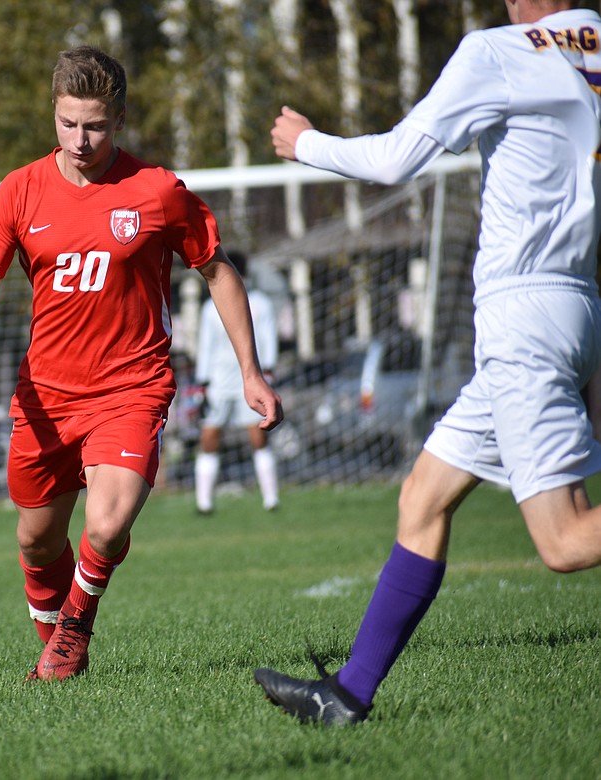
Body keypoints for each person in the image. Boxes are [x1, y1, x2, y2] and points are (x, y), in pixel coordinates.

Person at [255, 0, 601, 725]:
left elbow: (395, 158)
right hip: (578, 298)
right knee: (423, 497)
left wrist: (308, 142)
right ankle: (346, 696)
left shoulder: (501, 50)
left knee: (565, 541)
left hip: (523, 317)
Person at [0, 45, 282, 681]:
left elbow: (218, 273)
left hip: (131, 387)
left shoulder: (157, 192)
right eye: (67, 124)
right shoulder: (21, 189)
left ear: (118, 119)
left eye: (94, 125)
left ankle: (73, 633)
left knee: (109, 523)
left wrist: (251, 372)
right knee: (37, 542)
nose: (80, 139)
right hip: (46, 396)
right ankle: (58, 646)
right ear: (53, 116)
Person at [193, 251, 280, 514]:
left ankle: (271, 498)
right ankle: (204, 502)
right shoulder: (211, 308)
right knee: (210, 436)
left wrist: (267, 372)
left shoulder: (261, 304)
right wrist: (202, 383)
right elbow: (205, 347)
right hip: (218, 381)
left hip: (250, 379)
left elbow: (268, 341)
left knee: (257, 436)